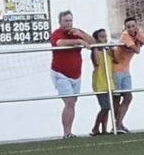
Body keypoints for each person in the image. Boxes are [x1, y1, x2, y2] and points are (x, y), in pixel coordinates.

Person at [49, 10, 94, 138]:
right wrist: (78, 42)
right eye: (65, 21)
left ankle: (69, 132)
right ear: (60, 22)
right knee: (69, 102)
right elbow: (59, 43)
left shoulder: (76, 32)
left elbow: (93, 43)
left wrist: (81, 35)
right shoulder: (56, 34)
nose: (68, 23)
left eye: (70, 20)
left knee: (73, 102)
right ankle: (66, 133)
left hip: (76, 75)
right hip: (60, 73)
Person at [113, 16, 144, 133]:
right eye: (128, 27)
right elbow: (136, 50)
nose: (131, 28)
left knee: (128, 97)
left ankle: (118, 124)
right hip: (116, 69)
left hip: (125, 69)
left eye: (133, 26)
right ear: (125, 28)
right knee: (117, 97)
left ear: (137, 26)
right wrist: (139, 41)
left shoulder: (139, 33)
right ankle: (117, 125)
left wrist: (143, 40)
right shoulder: (125, 36)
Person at [89, 28, 116, 136]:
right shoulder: (95, 51)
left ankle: (104, 129)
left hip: (108, 81)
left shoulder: (108, 51)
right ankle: (95, 128)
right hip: (100, 82)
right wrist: (95, 48)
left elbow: (116, 59)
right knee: (105, 106)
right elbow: (96, 62)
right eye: (102, 37)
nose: (105, 39)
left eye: (105, 36)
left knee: (109, 107)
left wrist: (112, 49)